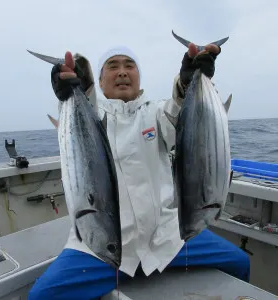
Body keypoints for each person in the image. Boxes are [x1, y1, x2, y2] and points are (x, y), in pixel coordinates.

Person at [28, 40, 250, 300]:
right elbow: (79, 121)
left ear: (139, 76)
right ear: (99, 81)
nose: (122, 71)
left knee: (239, 262)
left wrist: (188, 83)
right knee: (42, 296)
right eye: (112, 66)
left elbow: (180, 115)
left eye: (129, 65)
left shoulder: (156, 113)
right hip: (102, 242)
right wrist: (73, 88)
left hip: (167, 238)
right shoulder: (92, 116)